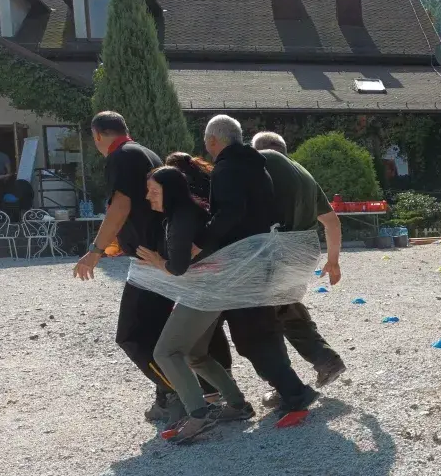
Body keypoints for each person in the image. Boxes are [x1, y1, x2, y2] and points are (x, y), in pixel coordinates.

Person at [198, 115, 317, 416]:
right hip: (264, 255)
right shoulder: (256, 165)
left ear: (213, 140)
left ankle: (295, 392)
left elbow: (230, 213)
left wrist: (202, 240)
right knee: (261, 330)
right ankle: (289, 390)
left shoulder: (226, 169)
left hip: (242, 262)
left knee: (251, 336)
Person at [73, 112, 183, 420]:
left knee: (131, 335)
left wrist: (94, 250)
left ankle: (179, 393)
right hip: (159, 253)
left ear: (97, 135)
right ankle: (168, 396)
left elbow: (121, 205)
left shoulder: (119, 156)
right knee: (156, 333)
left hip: (151, 259)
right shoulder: (144, 152)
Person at [137, 166, 254, 442]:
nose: (148, 197)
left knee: (166, 352)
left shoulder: (181, 219)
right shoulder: (185, 213)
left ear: (172, 193)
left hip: (205, 291)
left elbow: (177, 267)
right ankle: (237, 405)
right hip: (214, 289)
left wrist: (156, 262)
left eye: (154, 192)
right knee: (196, 354)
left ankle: (198, 415)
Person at [250, 131, 347, 400]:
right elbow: (332, 222)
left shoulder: (261, 171)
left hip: (272, 255)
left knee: (266, 320)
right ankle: (325, 359)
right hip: (302, 255)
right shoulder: (305, 176)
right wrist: (333, 261)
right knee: (287, 308)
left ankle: (285, 386)